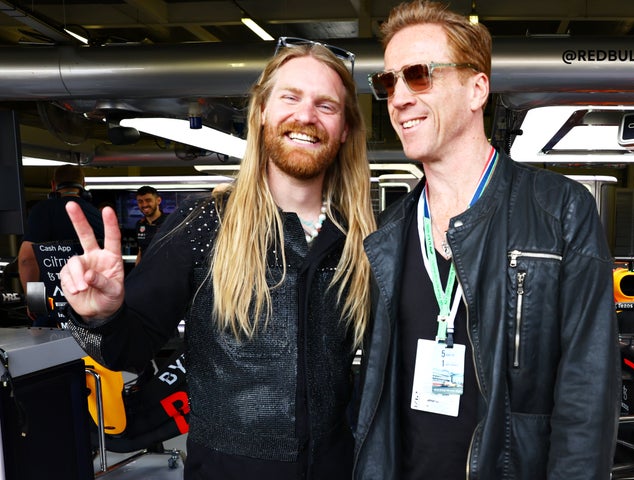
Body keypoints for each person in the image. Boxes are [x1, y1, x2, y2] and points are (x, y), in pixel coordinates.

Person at [59, 37, 375, 479]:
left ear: (344, 129)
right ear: (262, 112)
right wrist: (104, 317)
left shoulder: (361, 239)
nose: (306, 115)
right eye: (291, 97)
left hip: (337, 467)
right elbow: (128, 349)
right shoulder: (205, 222)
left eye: (327, 106)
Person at [354, 2, 620, 479]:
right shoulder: (389, 233)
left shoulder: (560, 211)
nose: (397, 98)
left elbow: (587, 396)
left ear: (477, 89)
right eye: (387, 82)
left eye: (418, 75)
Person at [17, 164, 103, 326]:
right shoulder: (96, 214)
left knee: (50, 350)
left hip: (52, 310)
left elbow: (27, 260)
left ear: (53, 185)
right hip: (91, 310)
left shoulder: (43, 211)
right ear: (83, 185)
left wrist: (35, 302)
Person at [133, 185, 167, 264]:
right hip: (145, 273)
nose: (144, 205)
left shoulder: (169, 222)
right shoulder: (139, 224)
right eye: (140, 201)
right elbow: (141, 250)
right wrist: (136, 274)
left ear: (158, 200)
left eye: (148, 200)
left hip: (166, 272)